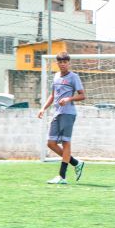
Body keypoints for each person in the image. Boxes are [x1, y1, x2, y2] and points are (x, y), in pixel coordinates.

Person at [38, 51, 86, 184]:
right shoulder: (56, 77)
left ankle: (62, 176)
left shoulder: (73, 77)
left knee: (66, 143)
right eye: (60, 62)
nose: (63, 64)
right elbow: (53, 96)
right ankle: (76, 163)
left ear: (69, 63)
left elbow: (82, 95)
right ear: (57, 63)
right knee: (51, 143)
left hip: (68, 113)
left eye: (65, 62)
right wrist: (43, 108)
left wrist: (69, 98)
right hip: (57, 113)